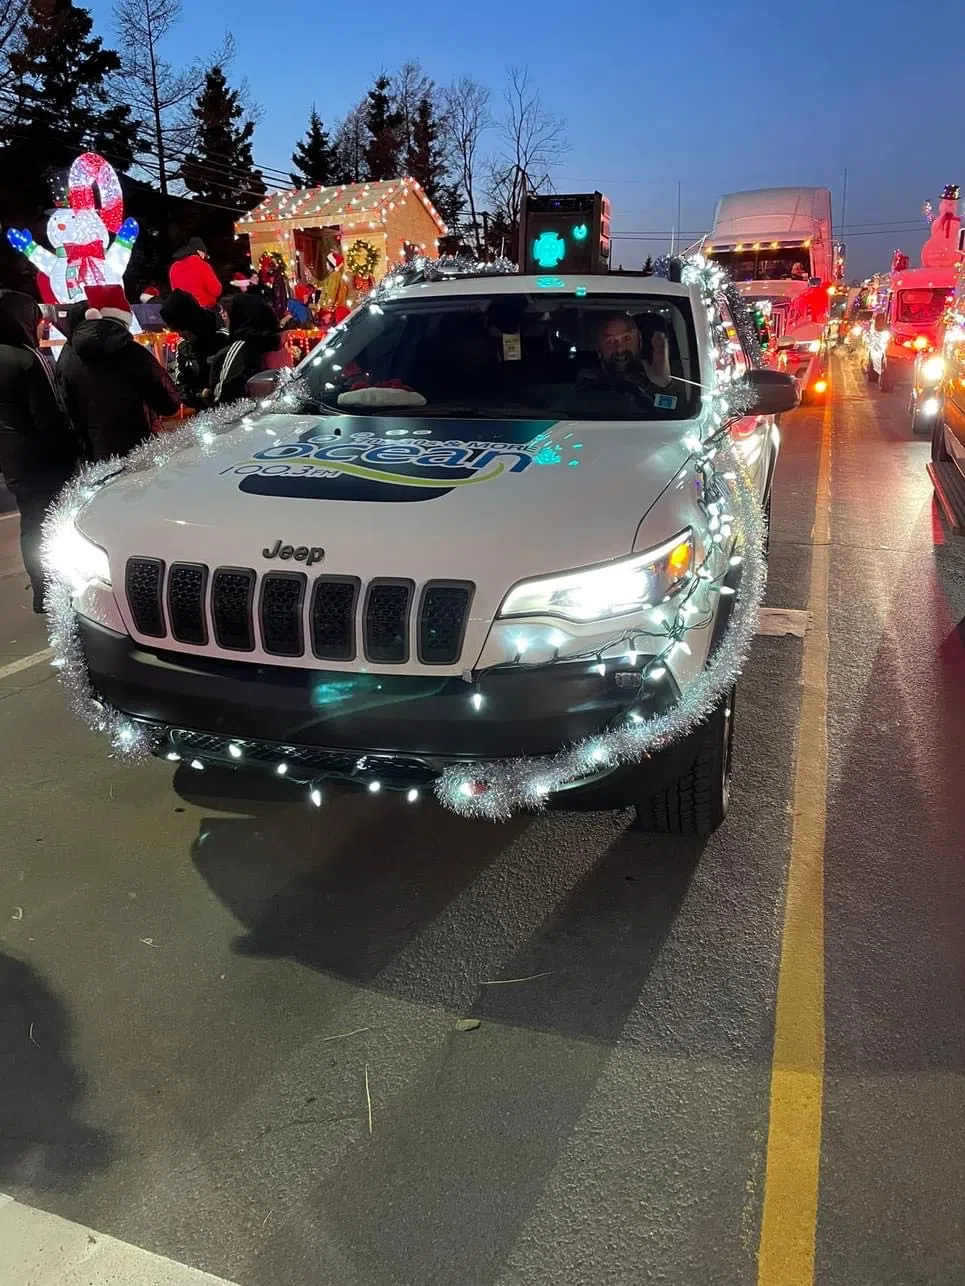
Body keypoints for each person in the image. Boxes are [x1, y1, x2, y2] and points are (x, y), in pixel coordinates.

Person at [0, 290, 81, 612]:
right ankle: (61, 588)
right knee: (54, 521)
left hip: (12, 459)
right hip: (42, 457)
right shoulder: (26, 358)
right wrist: (70, 452)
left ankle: (41, 592)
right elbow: (47, 414)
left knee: (30, 523)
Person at [58, 284, 180, 461]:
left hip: (95, 456)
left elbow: (66, 409)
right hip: (141, 449)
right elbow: (168, 403)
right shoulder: (131, 352)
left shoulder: (66, 357)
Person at [208, 293, 291, 406]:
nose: (223, 316)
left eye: (226, 312)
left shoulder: (241, 348)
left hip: (248, 417)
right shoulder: (279, 345)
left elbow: (224, 397)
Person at [159, 288, 226, 410]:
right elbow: (181, 388)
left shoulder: (223, 338)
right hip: (204, 413)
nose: (179, 335)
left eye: (180, 330)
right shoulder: (184, 347)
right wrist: (200, 394)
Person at [168, 237, 222, 310]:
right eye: (204, 253)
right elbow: (216, 290)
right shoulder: (202, 265)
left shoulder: (174, 267)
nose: (204, 257)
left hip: (182, 311)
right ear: (199, 251)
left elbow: (174, 293)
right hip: (203, 310)